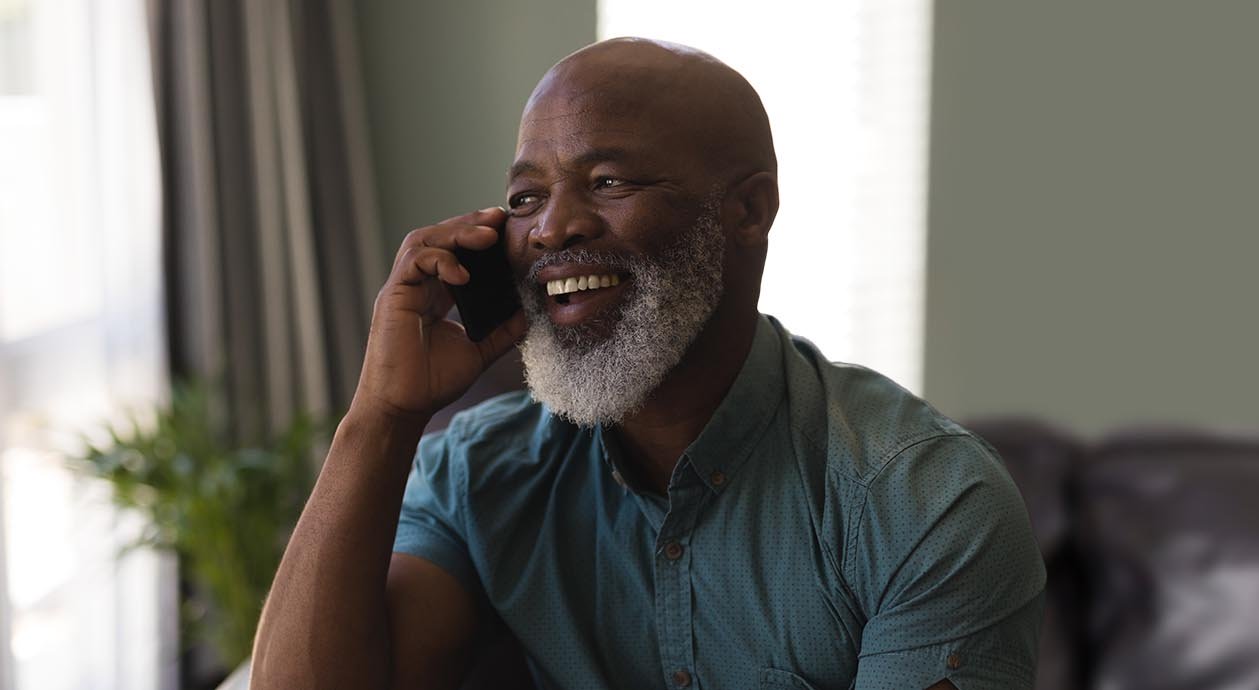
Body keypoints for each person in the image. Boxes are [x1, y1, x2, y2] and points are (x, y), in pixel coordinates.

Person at [251, 37, 1045, 690]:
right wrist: (382, 418)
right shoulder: (475, 478)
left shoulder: (924, 501)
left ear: (748, 211)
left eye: (607, 181)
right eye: (525, 198)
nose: (552, 228)